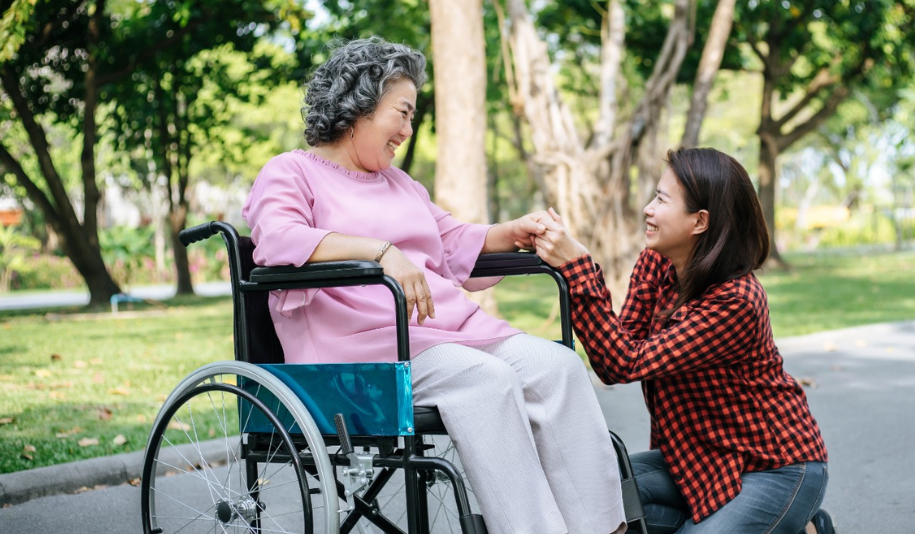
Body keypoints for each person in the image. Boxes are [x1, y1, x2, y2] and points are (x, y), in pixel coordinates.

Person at [242, 37, 625, 534]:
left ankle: (602, 528)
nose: (406, 129)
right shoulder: (290, 172)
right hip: (361, 351)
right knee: (486, 380)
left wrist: (509, 233)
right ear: (358, 105)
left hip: (442, 333)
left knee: (557, 366)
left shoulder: (400, 184)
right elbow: (276, 238)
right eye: (400, 113)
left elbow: (451, 242)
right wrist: (380, 252)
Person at [531, 147, 835, 534]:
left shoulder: (736, 302)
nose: (648, 208)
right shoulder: (656, 263)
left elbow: (627, 361)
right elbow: (612, 360)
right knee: (587, 494)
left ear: (699, 221)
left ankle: (793, 520)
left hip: (775, 467)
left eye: (661, 199)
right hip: (698, 460)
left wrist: (577, 268)